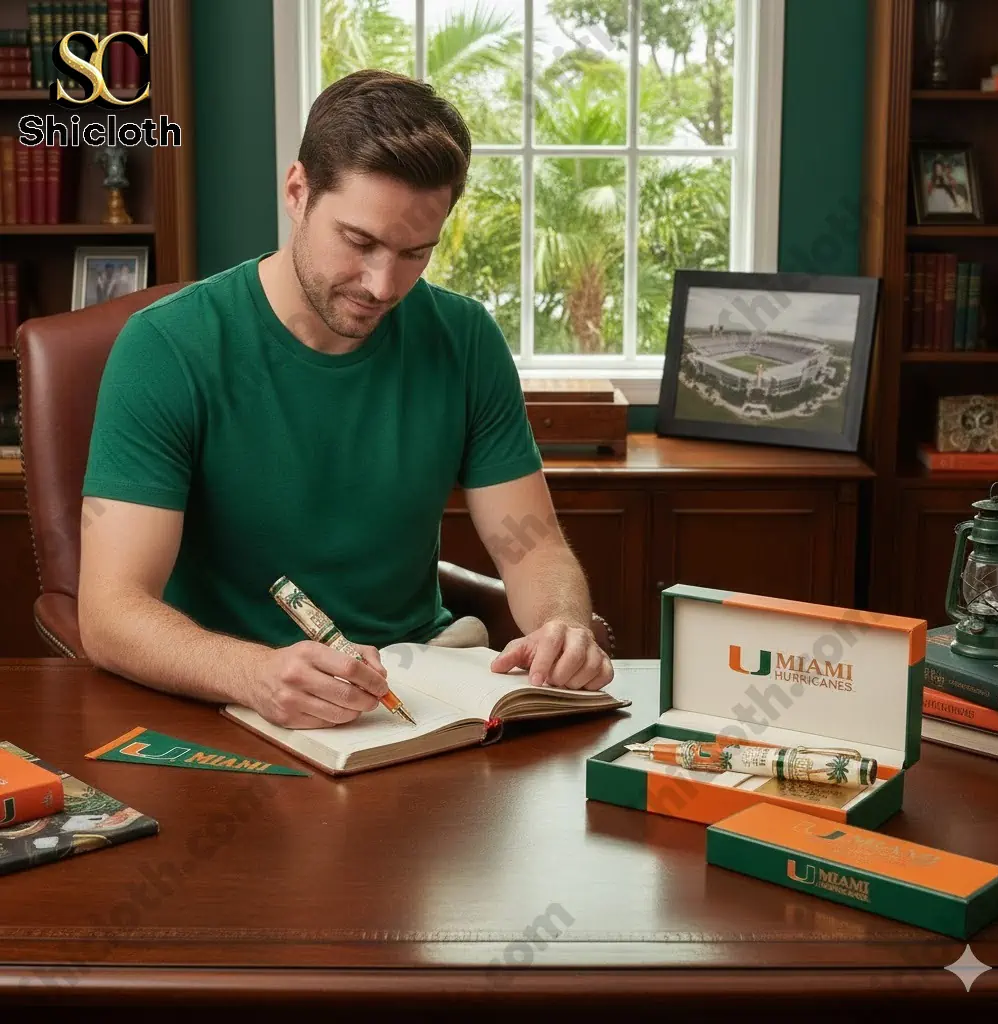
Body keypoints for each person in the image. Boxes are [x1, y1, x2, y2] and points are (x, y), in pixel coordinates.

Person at [78, 69, 613, 730]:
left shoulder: (465, 338)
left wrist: (563, 622)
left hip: (421, 694)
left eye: (417, 252)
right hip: (231, 705)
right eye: (360, 243)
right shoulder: (166, 347)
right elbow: (109, 611)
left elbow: (531, 547)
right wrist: (254, 675)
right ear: (297, 191)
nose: (383, 284)